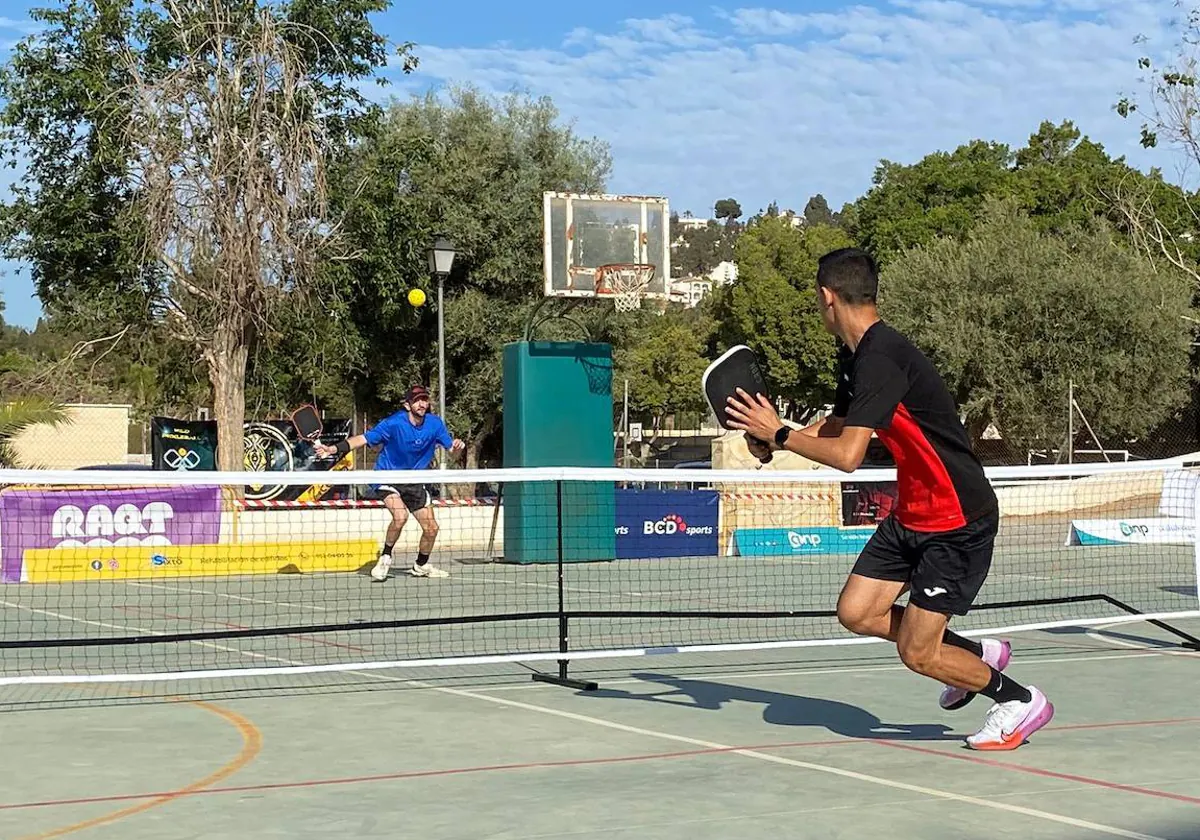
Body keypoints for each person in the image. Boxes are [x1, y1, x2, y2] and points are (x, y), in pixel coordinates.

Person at [725, 247, 1054, 752]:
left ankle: (1016, 699)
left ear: (826, 297)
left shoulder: (882, 357)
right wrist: (773, 440)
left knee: (917, 654)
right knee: (858, 612)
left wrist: (783, 433)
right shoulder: (856, 356)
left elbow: (849, 456)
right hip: (914, 513)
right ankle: (975, 653)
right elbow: (838, 426)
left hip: (958, 518)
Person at [316, 385, 464, 582]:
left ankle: (420, 565)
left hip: (414, 481)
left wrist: (457, 447)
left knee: (431, 529)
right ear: (407, 404)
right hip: (387, 477)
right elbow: (362, 438)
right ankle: (386, 556)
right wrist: (332, 449)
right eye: (417, 400)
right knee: (400, 516)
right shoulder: (393, 423)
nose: (422, 404)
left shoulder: (435, 424)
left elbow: (452, 451)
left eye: (424, 400)